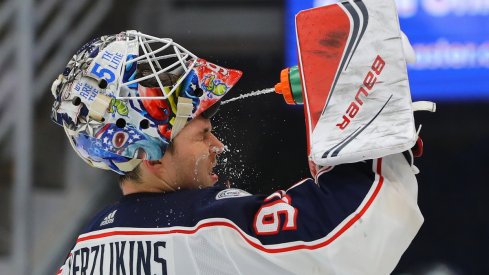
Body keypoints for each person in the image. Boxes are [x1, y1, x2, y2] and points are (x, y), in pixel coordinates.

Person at [52, 31, 423, 275]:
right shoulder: (203, 227)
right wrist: (371, 115)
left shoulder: (82, 251)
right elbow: (349, 239)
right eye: (203, 134)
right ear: (149, 156)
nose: (218, 146)